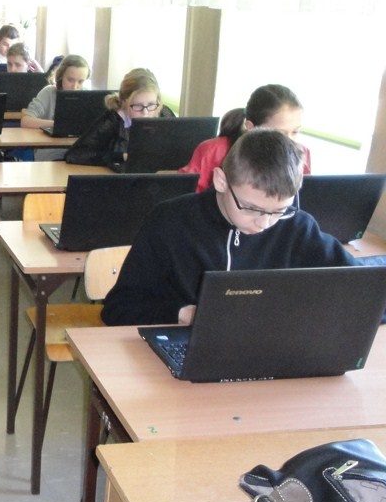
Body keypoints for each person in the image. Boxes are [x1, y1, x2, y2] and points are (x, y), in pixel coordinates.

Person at [102, 128, 356, 326]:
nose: (264, 223)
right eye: (251, 208)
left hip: (270, 348)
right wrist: (182, 313)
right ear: (221, 181)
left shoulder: (298, 227)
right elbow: (119, 308)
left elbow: (360, 287)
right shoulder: (170, 221)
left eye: (279, 211)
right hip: (186, 344)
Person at [179, 83, 310, 192]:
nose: (289, 141)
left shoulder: (301, 154)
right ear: (251, 127)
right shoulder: (213, 151)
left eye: (295, 132)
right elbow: (186, 196)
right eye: (280, 133)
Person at [64, 67, 163, 171]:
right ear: (124, 101)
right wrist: (121, 156)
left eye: (151, 104)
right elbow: (75, 154)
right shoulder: (111, 121)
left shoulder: (164, 115)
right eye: (138, 105)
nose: (145, 112)